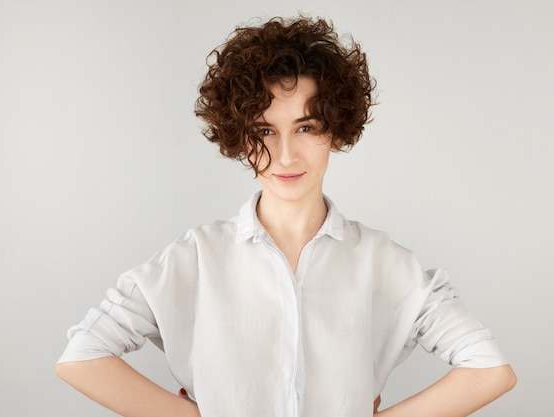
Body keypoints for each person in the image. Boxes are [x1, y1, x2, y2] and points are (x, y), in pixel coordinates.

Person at [55, 15, 516, 417]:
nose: (286, 154)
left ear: (334, 129)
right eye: (263, 131)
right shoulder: (194, 259)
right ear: (237, 134)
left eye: (306, 127)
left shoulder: (386, 264)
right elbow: (82, 356)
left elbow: (490, 370)